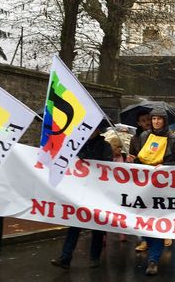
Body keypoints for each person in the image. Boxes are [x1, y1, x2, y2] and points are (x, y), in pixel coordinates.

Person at [51, 124, 113, 269]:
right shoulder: (78, 145)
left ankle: (95, 257)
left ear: (98, 130)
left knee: (97, 225)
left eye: (94, 128)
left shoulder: (105, 146)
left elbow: (108, 167)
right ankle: (65, 257)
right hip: (80, 190)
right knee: (75, 223)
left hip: (98, 191)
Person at [137, 107, 175, 275]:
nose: (156, 122)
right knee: (144, 221)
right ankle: (151, 251)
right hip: (144, 186)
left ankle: (153, 260)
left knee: (155, 221)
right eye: (154, 119)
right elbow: (138, 158)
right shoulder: (144, 136)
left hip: (163, 186)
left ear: (165, 121)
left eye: (159, 119)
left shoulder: (172, 138)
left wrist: (166, 167)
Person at [127, 110, 153, 252]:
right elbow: (133, 157)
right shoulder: (134, 139)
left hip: (156, 178)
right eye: (143, 120)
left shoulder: (159, 137)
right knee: (142, 209)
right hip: (141, 179)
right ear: (138, 123)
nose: (147, 122)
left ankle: (162, 234)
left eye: (148, 119)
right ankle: (144, 239)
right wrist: (131, 159)